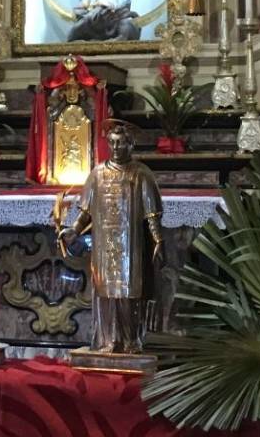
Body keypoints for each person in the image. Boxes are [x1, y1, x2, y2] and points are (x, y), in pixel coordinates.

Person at [58, 121, 163, 354]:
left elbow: (151, 213)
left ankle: (130, 341)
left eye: (121, 143)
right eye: (112, 143)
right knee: (105, 293)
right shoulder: (97, 174)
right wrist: (74, 230)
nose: (115, 148)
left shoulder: (141, 174)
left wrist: (158, 241)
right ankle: (107, 340)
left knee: (129, 293)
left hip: (131, 243)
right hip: (104, 245)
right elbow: (86, 210)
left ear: (130, 145)